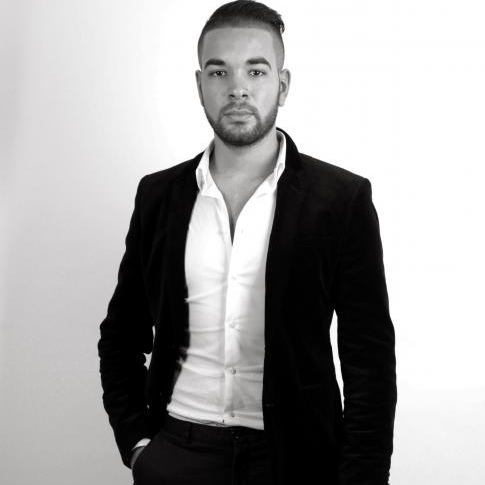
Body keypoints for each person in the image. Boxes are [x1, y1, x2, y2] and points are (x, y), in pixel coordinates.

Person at [97, 1, 397, 484]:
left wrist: (361, 477)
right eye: (219, 72)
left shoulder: (341, 200)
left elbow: (369, 359)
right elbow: (121, 336)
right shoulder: (158, 196)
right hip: (177, 453)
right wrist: (138, 445)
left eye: (256, 71)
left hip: (296, 459)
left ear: (282, 84)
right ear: (200, 86)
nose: (237, 88)